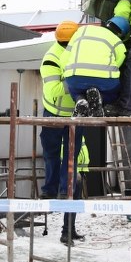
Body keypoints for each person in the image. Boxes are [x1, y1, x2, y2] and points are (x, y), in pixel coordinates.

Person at [38, 20, 79, 200]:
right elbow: (53, 90)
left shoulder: (80, 52)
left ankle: (65, 190)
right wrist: (77, 83)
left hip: (75, 115)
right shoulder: (52, 58)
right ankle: (50, 189)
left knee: (71, 155)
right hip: (54, 113)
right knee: (51, 153)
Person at [60, 17, 129, 117]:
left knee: (73, 89)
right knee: (115, 92)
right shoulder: (118, 42)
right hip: (105, 81)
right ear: (121, 34)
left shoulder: (82, 30)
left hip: (75, 77)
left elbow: (64, 58)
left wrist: (68, 73)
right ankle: (100, 98)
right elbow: (118, 64)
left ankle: (80, 99)